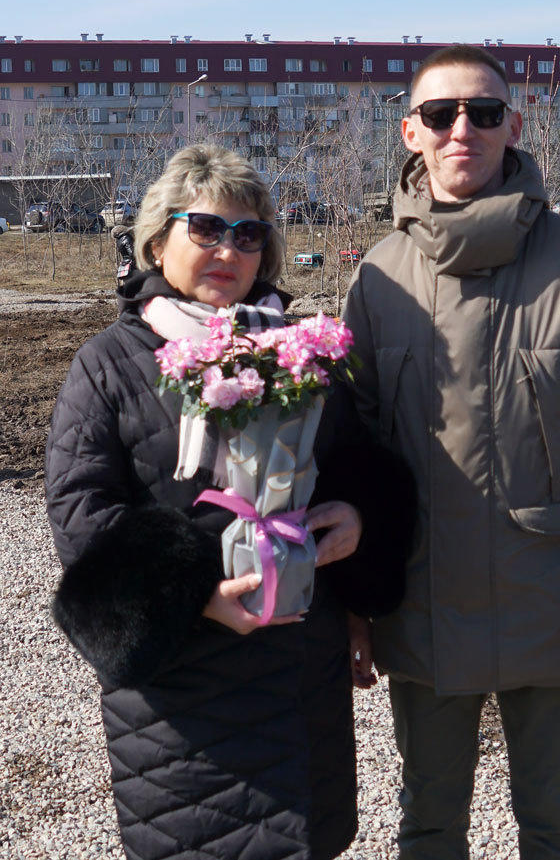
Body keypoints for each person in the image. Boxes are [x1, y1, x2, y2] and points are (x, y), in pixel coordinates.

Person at [343, 45, 560, 860]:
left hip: (555, 600)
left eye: (484, 112)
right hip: (422, 604)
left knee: (556, 824)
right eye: (442, 114)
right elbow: (353, 455)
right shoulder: (378, 278)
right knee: (427, 822)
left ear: (513, 126)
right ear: (410, 133)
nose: (464, 128)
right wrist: (352, 602)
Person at [45, 144, 414, 860]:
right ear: (158, 239)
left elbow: (354, 467)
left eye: (248, 234)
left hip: (301, 679)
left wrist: (360, 522)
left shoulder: (303, 353)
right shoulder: (112, 364)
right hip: (187, 694)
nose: (228, 248)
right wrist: (194, 594)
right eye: (206, 227)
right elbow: (81, 517)